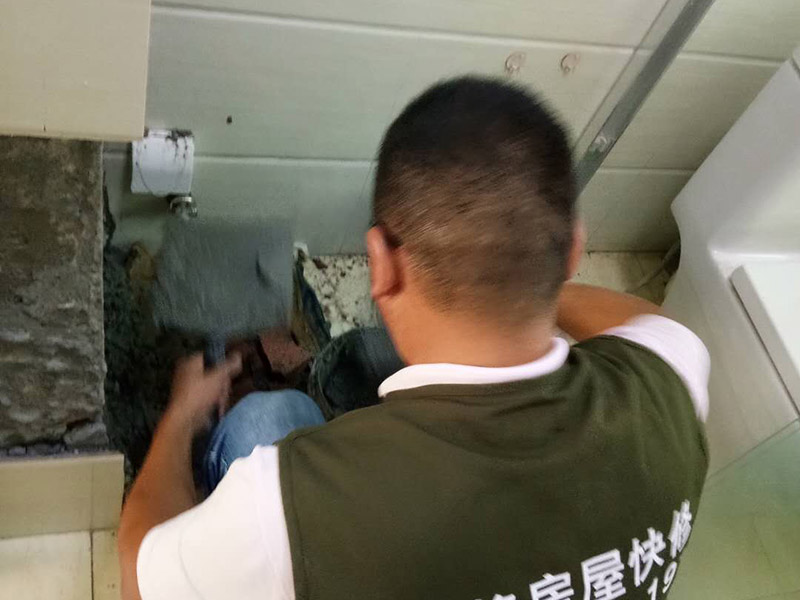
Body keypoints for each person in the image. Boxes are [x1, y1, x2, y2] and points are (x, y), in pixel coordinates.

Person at [119, 77, 710, 600]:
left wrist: (181, 416)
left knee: (262, 424)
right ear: (574, 251)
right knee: (289, 413)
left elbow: (138, 580)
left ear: (380, 264)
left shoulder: (289, 508)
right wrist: (523, 276)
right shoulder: (672, 384)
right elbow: (647, 319)